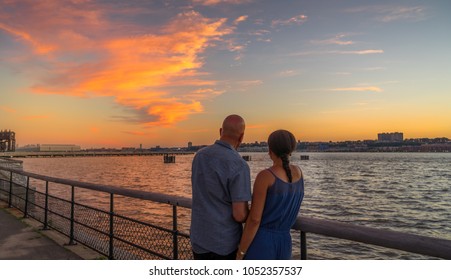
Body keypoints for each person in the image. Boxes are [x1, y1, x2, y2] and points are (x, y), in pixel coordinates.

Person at [190, 114, 251, 260]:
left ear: (220, 131)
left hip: (199, 239)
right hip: (224, 243)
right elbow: (239, 215)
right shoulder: (239, 165)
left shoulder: (199, 156)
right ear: (241, 137)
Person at [236, 129, 304, 260]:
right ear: (292, 149)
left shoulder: (265, 176)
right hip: (285, 242)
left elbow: (255, 220)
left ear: (270, 150)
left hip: (262, 242)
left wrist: (241, 252)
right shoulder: (299, 173)